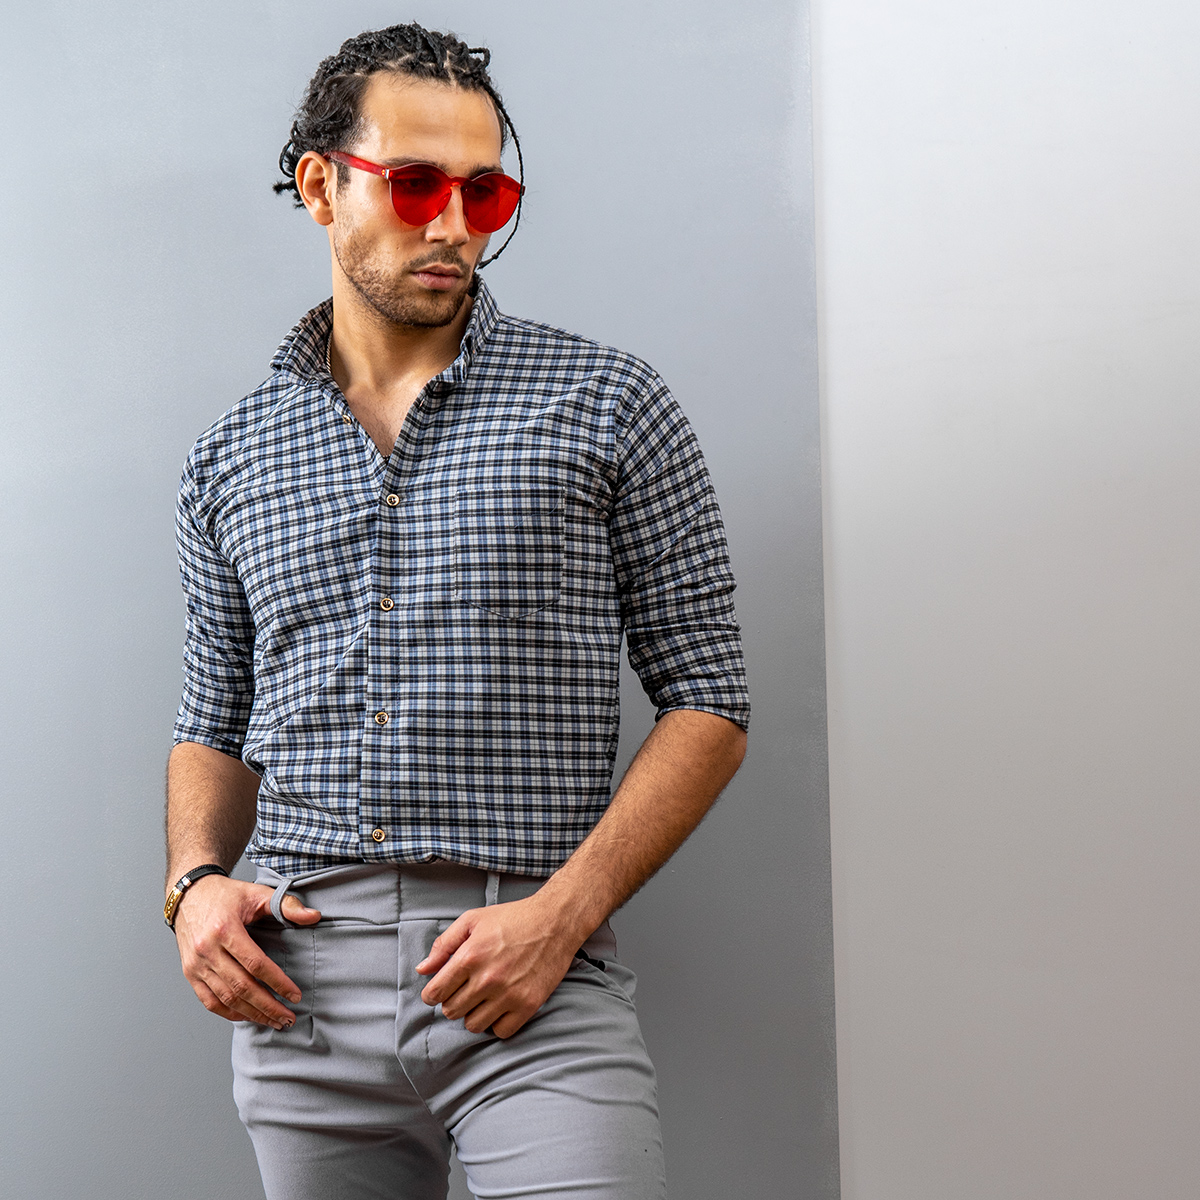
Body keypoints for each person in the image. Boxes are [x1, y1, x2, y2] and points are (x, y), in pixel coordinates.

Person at [164, 23, 749, 1200]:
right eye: (417, 184)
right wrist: (191, 888)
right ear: (321, 187)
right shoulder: (231, 454)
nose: (453, 227)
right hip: (298, 992)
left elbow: (711, 702)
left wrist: (562, 917)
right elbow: (211, 720)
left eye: (486, 193)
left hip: (535, 973)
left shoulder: (610, 404)